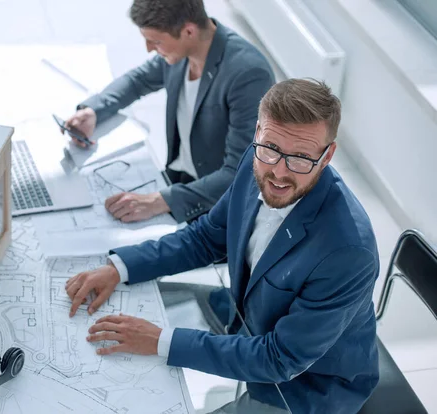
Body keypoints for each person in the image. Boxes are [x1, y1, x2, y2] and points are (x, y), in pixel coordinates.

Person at [65, 79, 380, 413]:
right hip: (247, 318)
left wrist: (160, 340)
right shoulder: (255, 160)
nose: (278, 172)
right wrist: (120, 267)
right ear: (258, 133)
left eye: (301, 158)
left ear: (327, 154)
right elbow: (206, 237)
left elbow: (279, 360)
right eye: (271, 148)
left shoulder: (348, 251)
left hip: (304, 386)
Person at [64, 0, 274, 224]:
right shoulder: (180, 53)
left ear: (188, 31)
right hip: (177, 177)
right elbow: (138, 80)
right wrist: (94, 110)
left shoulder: (248, 74)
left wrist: (159, 201)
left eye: (155, 41)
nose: (149, 49)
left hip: (214, 204)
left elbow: (239, 173)